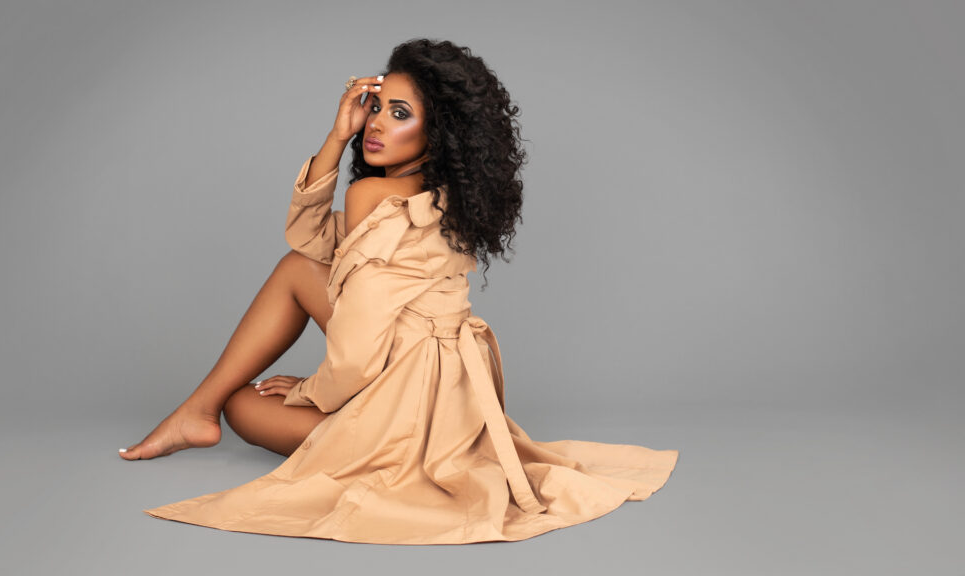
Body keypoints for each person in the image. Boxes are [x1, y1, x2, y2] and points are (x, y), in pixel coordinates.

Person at [122, 38, 679, 544]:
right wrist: (339, 134)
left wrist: (310, 391)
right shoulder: (446, 196)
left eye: (400, 113)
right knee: (298, 269)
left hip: (402, 387)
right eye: (376, 107)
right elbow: (322, 244)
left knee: (244, 401)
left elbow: (356, 342)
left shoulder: (374, 195)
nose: (375, 124)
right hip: (452, 394)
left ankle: (198, 411)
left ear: (436, 133)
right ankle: (197, 412)